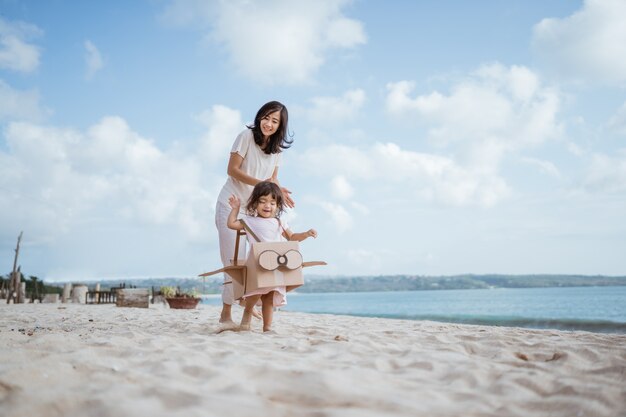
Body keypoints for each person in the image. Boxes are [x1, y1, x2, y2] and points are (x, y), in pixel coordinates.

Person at [214, 101, 295, 328]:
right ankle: (226, 313)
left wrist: (277, 189)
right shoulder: (245, 136)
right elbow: (232, 170)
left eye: (274, 121)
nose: (268, 123)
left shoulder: (276, 149)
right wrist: (263, 184)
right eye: (266, 117)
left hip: (255, 209)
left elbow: (272, 178)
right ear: (259, 117)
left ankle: (248, 305)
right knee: (233, 261)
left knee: (255, 262)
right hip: (231, 203)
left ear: (280, 126)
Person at [226, 181, 317, 332]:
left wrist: (306, 234)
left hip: (276, 265)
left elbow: (293, 237)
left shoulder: (280, 222)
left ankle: (267, 327)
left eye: (272, 203)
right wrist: (235, 209)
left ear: (278, 205)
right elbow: (231, 224)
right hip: (257, 264)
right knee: (255, 294)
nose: (267, 205)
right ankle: (248, 312)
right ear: (254, 203)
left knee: (269, 297)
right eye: (262, 201)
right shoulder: (249, 221)